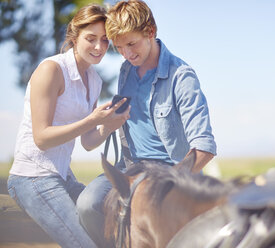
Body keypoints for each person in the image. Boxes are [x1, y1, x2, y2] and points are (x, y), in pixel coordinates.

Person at [76, 0, 217, 247]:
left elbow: (203, 149)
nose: (127, 54)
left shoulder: (181, 77)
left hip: (171, 173)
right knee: (88, 204)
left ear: (150, 32)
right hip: (130, 168)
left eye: (132, 44)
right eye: (119, 48)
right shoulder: (126, 71)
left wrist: (164, 186)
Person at [7, 4, 130, 248]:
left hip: (64, 177)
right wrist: (91, 120)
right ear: (74, 37)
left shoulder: (93, 80)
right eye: (91, 38)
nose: (99, 47)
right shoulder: (51, 70)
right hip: (31, 178)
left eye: (105, 40)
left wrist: (108, 126)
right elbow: (41, 138)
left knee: (110, 226)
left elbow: (87, 142)